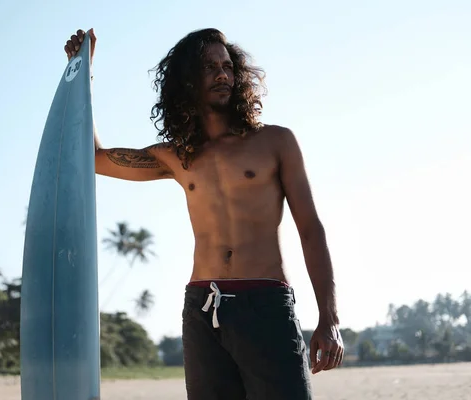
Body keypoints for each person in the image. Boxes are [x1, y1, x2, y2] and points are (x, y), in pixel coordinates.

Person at [64, 27, 343, 400]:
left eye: (227, 66)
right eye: (210, 67)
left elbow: (311, 230)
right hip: (201, 306)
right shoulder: (179, 156)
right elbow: (96, 159)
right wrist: (84, 73)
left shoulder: (275, 142)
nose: (222, 74)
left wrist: (330, 318)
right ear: (187, 80)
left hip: (264, 302)